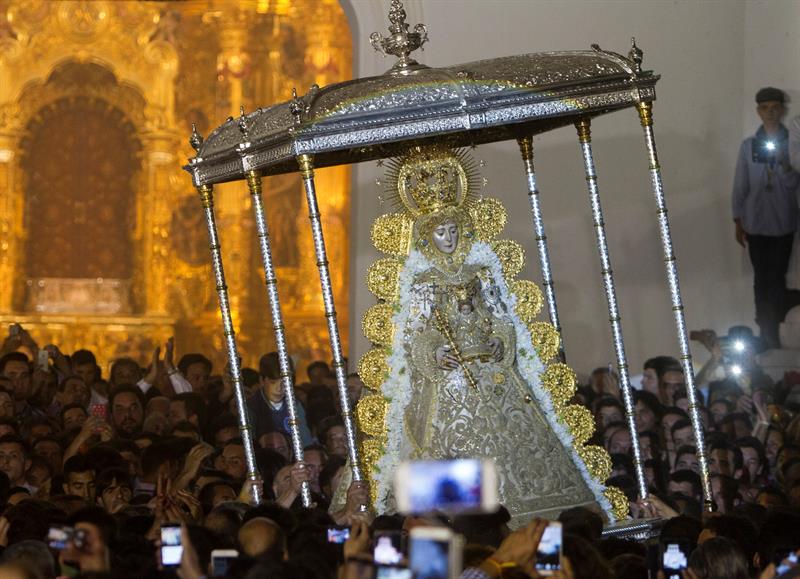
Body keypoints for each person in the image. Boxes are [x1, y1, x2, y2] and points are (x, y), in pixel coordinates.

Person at [732, 87, 800, 348]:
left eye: (775, 107)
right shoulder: (749, 145)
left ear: (782, 110)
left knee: (777, 277)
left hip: (783, 222)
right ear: (758, 111)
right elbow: (741, 183)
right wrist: (737, 219)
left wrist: (784, 163)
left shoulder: (792, 143)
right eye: (765, 107)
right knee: (761, 279)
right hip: (756, 222)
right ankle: (766, 330)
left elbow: (794, 183)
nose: (770, 112)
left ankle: (773, 328)